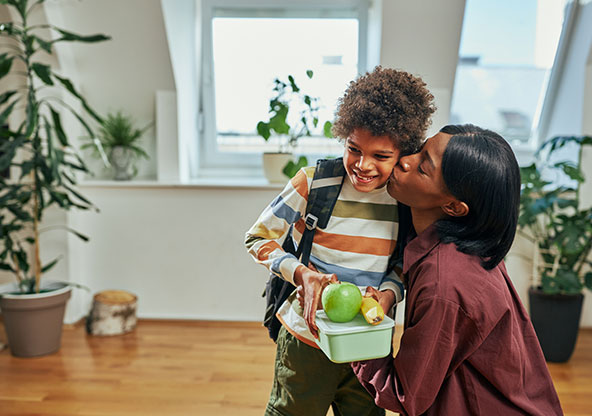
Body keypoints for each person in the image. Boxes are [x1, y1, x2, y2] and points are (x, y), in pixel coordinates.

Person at [245, 66, 436, 416]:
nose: (363, 165)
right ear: (344, 136)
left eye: (381, 156)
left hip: (368, 346)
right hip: (306, 340)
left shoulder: (404, 201)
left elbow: (402, 266)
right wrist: (301, 273)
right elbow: (257, 237)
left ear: (402, 153)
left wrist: (390, 294)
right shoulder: (314, 182)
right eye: (354, 149)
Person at [352, 124, 563, 415]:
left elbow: (405, 396)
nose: (405, 160)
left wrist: (353, 334)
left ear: (453, 207)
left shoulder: (445, 284)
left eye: (423, 167)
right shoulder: (461, 245)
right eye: (420, 150)